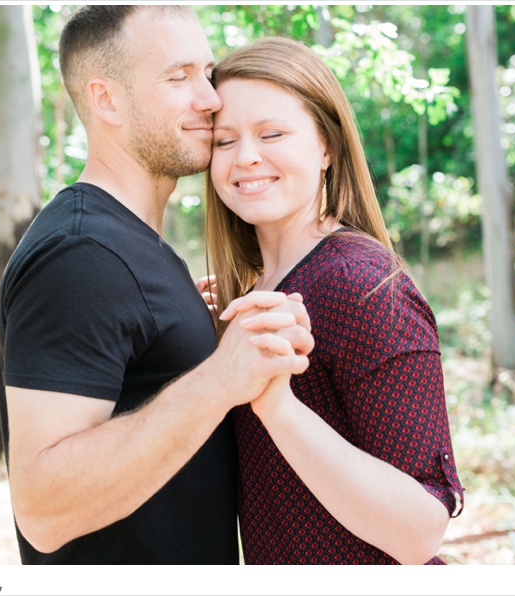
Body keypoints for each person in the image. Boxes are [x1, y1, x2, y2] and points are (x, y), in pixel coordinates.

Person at [0, 7, 314, 565]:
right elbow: (44, 510)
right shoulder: (82, 254)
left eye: (207, 72)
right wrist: (219, 378)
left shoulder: (128, 247)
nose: (211, 98)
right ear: (107, 100)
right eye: (178, 76)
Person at [205, 36, 465, 565]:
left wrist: (275, 404)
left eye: (272, 133)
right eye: (223, 141)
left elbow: (420, 531)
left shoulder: (363, 285)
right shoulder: (255, 295)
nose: (246, 156)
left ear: (327, 146)